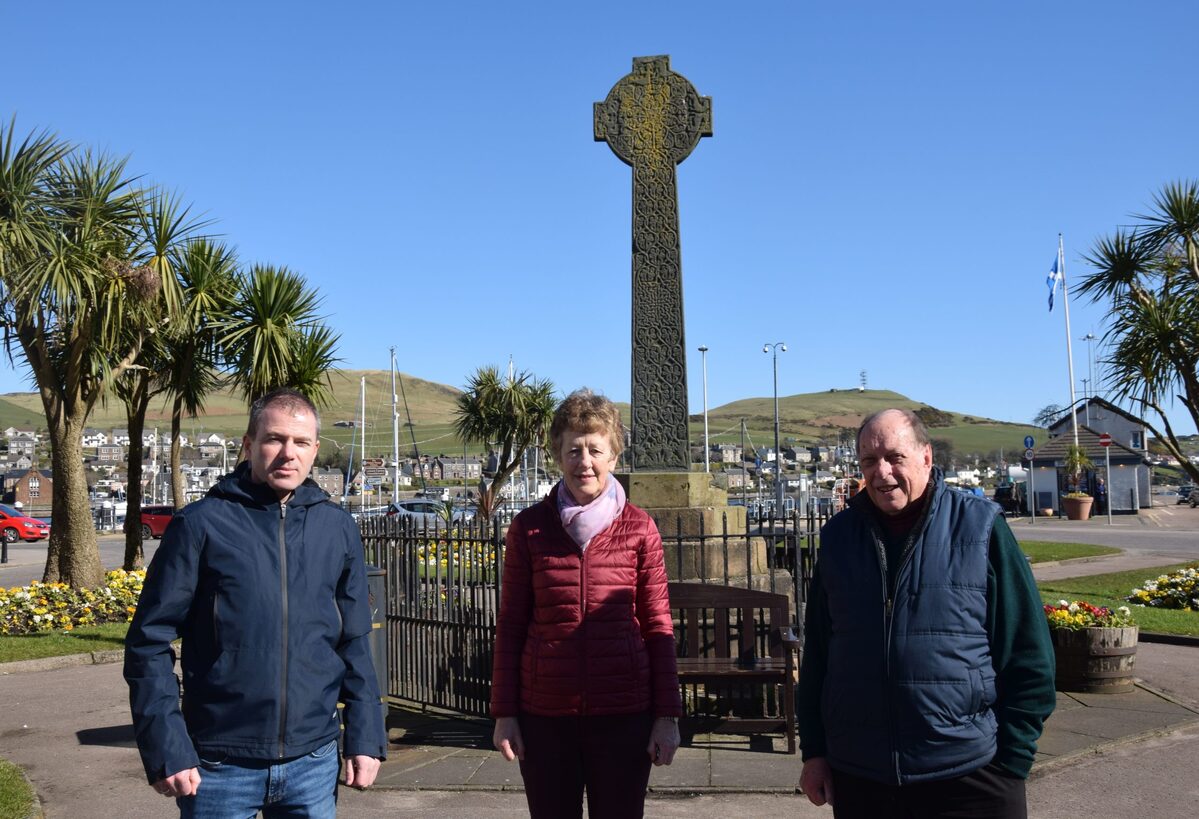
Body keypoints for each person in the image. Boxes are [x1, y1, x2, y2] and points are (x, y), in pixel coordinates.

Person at [124, 388, 387, 817]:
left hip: (314, 761)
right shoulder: (200, 525)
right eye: (274, 439)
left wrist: (365, 736)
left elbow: (354, 639)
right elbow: (148, 642)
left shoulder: (337, 529)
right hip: (218, 764)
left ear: (315, 450)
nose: (288, 453)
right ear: (249, 445)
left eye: (301, 442)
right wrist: (166, 744)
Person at [798, 409, 1055, 818]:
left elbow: (1028, 651)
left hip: (970, 773)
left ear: (926, 457)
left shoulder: (980, 527)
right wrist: (814, 752)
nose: (881, 472)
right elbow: (819, 657)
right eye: (868, 461)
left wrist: (1012, 760)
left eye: (894, 457)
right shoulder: (838, 537)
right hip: (861, 775)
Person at [490, 388, 682, 818]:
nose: (585, 462)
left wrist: (667, 715)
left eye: (596, 449)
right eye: (573, 449)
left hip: (624, 713)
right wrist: (505, 713)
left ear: (614, 456)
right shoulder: (529, 529)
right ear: (558, 455)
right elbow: (512, 624)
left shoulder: (640, 529)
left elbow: (658, 625)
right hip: (544, 716)